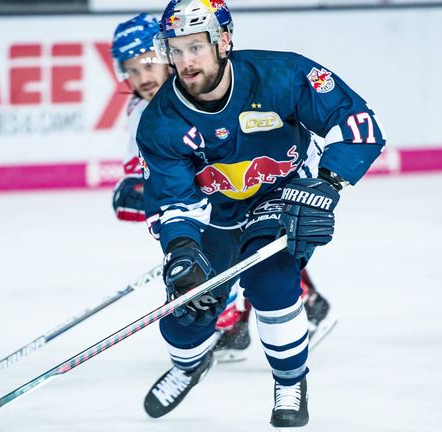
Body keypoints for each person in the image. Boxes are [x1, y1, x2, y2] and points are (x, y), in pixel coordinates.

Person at [135, 0, 386, 428]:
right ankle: (189, 365)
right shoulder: (160, 122)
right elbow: (174, 199)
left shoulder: (283, 75)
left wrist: (327, 183)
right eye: (175, 50)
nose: (185, 62)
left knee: (271, 281)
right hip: (215, 213)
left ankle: (290, 381)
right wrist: (181, 248)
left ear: (224, 41)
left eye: (195, 47)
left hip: (281, 193)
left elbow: (356, 123)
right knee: (187, 312)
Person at [109, 13, 337, 366]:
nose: (142, 78)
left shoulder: (214, 88)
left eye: (148, 65)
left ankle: (307, 304)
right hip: (212, 198)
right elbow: (143, 174)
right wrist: (138, 193)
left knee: (260, 249)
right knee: (201, 250)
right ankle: (233, 321)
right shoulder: (146, 111)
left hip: (260, 186)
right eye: (133, 71)